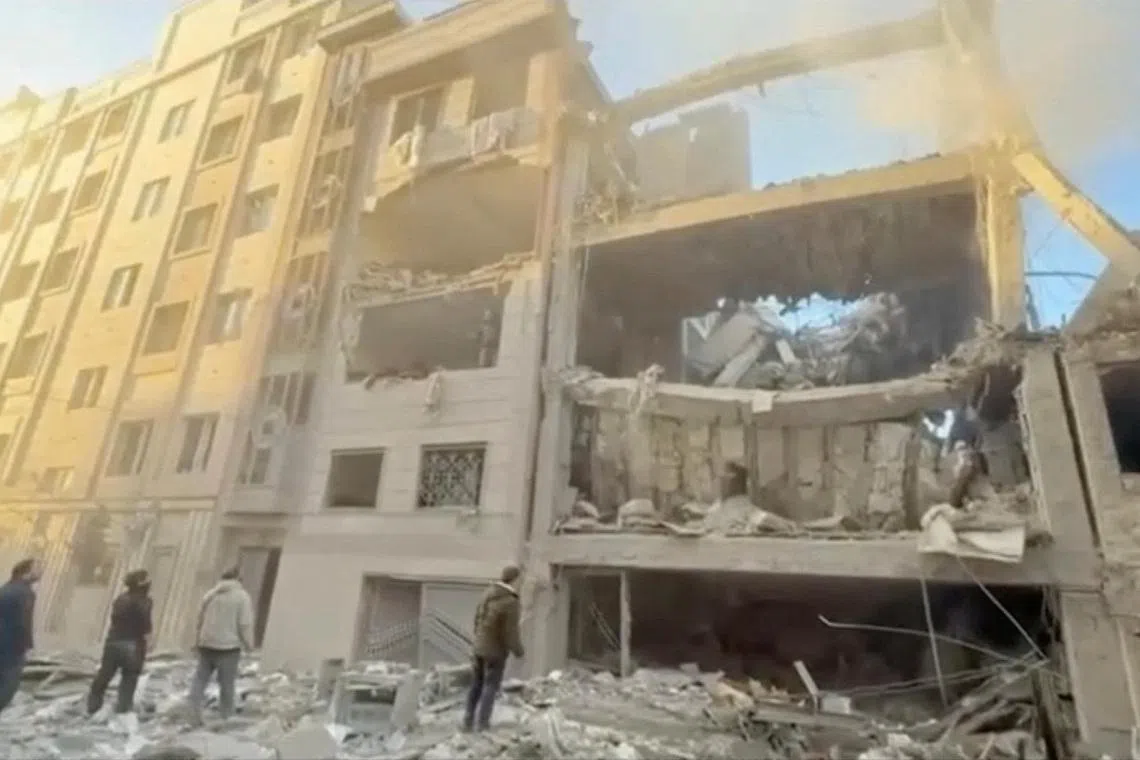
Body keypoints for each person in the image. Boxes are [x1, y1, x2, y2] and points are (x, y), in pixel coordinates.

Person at [188, 568, 254, 725]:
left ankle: (192, 713)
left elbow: (199, 619)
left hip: (207, 644)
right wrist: (249, 644)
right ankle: (226, 717)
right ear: (238, 579)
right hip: (228, 647)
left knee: (200, 680)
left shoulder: (210, 594)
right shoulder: (242, 597)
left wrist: (198, 640)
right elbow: (244, 623)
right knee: (226, 684)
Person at [463, 564, 524, 733]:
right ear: (515, 579)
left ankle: (467, 722)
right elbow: (510, 632)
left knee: (476, 683)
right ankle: (483, 724)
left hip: (479, 648)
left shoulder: (487, 594)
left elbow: (477, 620)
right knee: (490, 686)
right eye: (520, 580)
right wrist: (519, 651)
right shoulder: (510, 602)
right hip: (495, 651)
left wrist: (478, 641)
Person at [87, 569, 153, 715]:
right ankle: (122, 710)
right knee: (129, 678)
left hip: (113, 641)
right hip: (133, 644)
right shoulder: (145, 602)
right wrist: (148, 643)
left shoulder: (120, 599)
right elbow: (145, 625)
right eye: (148, 579)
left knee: (105, 674)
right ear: (142, 583)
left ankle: (93, 706)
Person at [0, 558, 40, 714]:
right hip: (12, 648)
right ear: (26, 572)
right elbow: (24, 620)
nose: (40, 571)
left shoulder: (6, 588)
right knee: (8, 686)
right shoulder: (26, 593)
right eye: (37, 567)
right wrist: (28, 646)